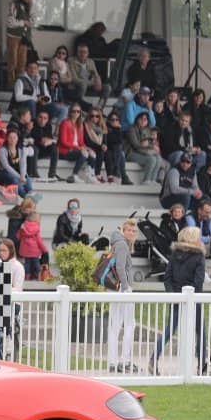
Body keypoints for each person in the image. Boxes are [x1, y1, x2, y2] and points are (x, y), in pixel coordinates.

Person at [149, 226, 206, 375]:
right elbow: (198, 281)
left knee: (169, 330)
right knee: (200, 332)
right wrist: (189, 296)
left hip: (176, 298)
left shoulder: (174, 254)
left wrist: (173, 295)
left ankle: (154, 358)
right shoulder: (199, 256)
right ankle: (201, 364)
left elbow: (167, 278)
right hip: (194, 299)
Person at [104, 219, 138, 373]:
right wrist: (125, 288)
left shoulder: (116, 243)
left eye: (134, 231)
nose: (131, 233)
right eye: (128, 230)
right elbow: (120, 268)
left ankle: (113, 362)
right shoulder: (122, 244)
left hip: (113, 288)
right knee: (129, 324)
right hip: (122, 288)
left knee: (115, 325)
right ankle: (125, 361)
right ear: (123, 231)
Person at [59, 105, 96, 184]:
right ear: (70, 112)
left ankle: (89, 174)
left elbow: (81, 142)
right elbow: (63, 142)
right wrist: (79, 148)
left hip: (76, 150)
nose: (76, 113)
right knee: (84, 153)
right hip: (65, 151)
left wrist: (87, 148)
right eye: (74, 111)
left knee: (92, 154)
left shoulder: (80, 125)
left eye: (78, 111)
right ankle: (74, 175)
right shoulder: (65, 123)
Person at [5, 0, 35, 82]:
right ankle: (11, 85)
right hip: (13, 37)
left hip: (24, 38)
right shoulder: (14, 5)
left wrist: (31, 11)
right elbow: (10, 22)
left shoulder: (29, 7)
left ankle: (20, 84)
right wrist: (23, 22)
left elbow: (33, 21)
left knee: (22, 63)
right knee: (12, 62)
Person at [16, 211, 47, 280]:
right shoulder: (36, 227)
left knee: (27, 263)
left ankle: (27, 277)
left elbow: (18, 236)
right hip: (34, 250)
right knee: (36, 263)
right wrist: (44, 249)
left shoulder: (23, 226)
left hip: (25, 250)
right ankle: (39, 276)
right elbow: (39, 240)